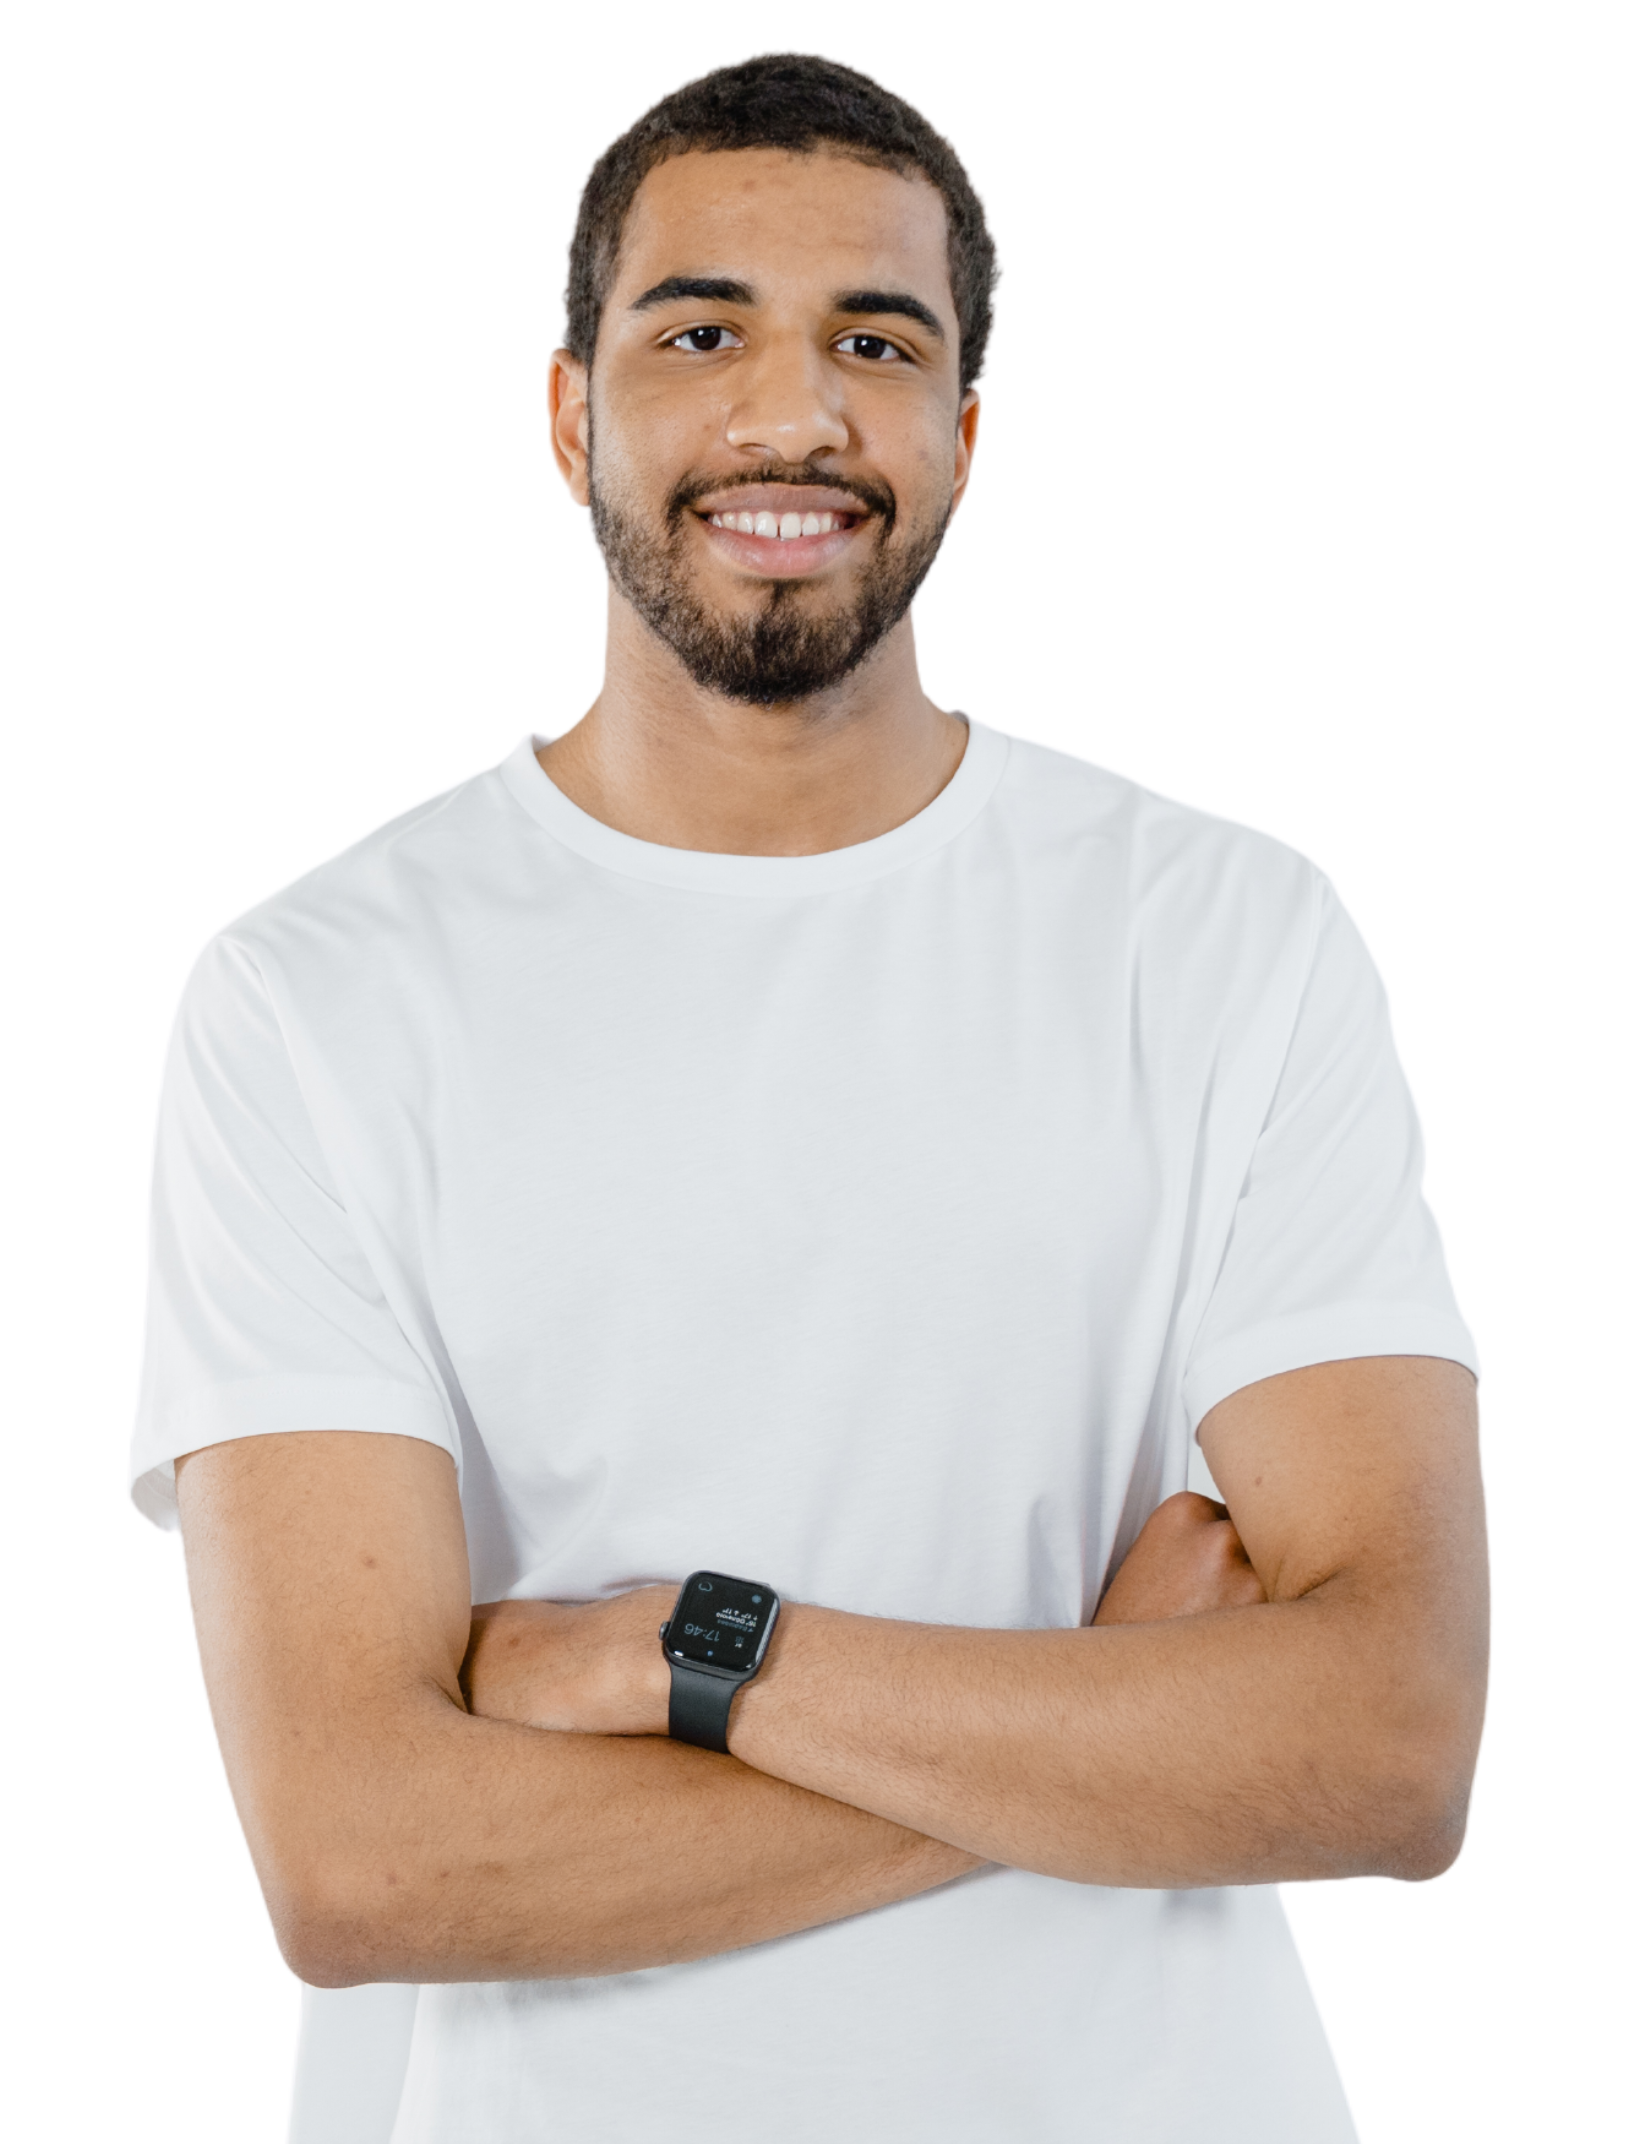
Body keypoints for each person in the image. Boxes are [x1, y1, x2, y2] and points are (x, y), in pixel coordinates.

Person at [129, 50, 1489, 2144]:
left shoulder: (1223, 931)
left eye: (876, 340)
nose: (793, 415)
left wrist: (705, 1652)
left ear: (958, 438)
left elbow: (1395, 1746)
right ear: (572, 413)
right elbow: (364, 1858)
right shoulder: (313, 993)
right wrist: (1104, 1720)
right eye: (701, 333)